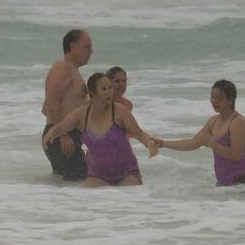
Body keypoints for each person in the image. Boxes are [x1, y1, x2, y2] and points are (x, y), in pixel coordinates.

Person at [44, 71, 160, 187]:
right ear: (93, 92)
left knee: (129, 196)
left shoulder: (119, 111)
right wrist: (50, 134)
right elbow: (63, 127)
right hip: (97, 175)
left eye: (110, 88)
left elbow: (139, 133)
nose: (109, 92)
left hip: (126, 173)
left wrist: (149, 142)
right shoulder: (82, 114)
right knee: (88, 196)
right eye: (104, 89)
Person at [161, 79, 245, 185]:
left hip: (241, 182)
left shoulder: (237, 121)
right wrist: (162, 143)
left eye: (219, 98)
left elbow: (236, 155)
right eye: (212, 97)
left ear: (230, 100)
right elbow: (193, 143)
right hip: (223, 183)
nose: (214, 101)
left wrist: (212, 144)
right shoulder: (213, 121)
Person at [41, 29, 94, 181]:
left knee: (70, 183)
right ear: (73, 47)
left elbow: (47, 108)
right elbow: (51, 103)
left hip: (67, 134)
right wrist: (62, 134)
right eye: (87, 47)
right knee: (81, 180)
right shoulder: (62, 68)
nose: (91, 51)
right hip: (61, 135)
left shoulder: (73, 70)